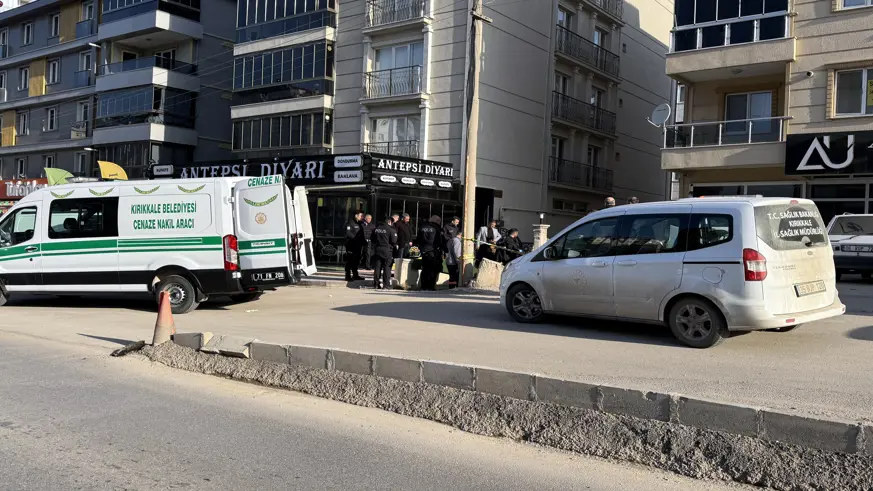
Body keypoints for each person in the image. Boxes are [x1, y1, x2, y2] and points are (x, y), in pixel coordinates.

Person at [417, 215, 444, 291]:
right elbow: (439, 241)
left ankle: (423, 286)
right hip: (433, 251)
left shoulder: (422, 227)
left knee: (424, 268)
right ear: (437, 221)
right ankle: (430, 286)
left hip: (424, 250)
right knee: (432, 269)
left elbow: (418, 239)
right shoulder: (437, 228)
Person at [371, 216, 397, 290]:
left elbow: (372, 239)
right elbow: (394, 241)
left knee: (377, 267)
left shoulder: (376, 229)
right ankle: (386, 285)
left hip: (378, 249)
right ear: (389, 222)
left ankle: (376, 284)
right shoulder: (391, 230)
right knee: (387, 267)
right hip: (387, 250)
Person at [344, 211, 365, 281]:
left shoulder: (360, 224)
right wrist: (356, 239)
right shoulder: (350, 223)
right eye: (361, 216)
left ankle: (355, 275)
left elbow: (361, 234)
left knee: (356, 261)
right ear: (356, 216)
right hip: (351, 245)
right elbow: (348, 233)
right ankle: (347, 276)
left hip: (358, 245)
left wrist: (364, 242)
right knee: (350, 260)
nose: (362, 217)